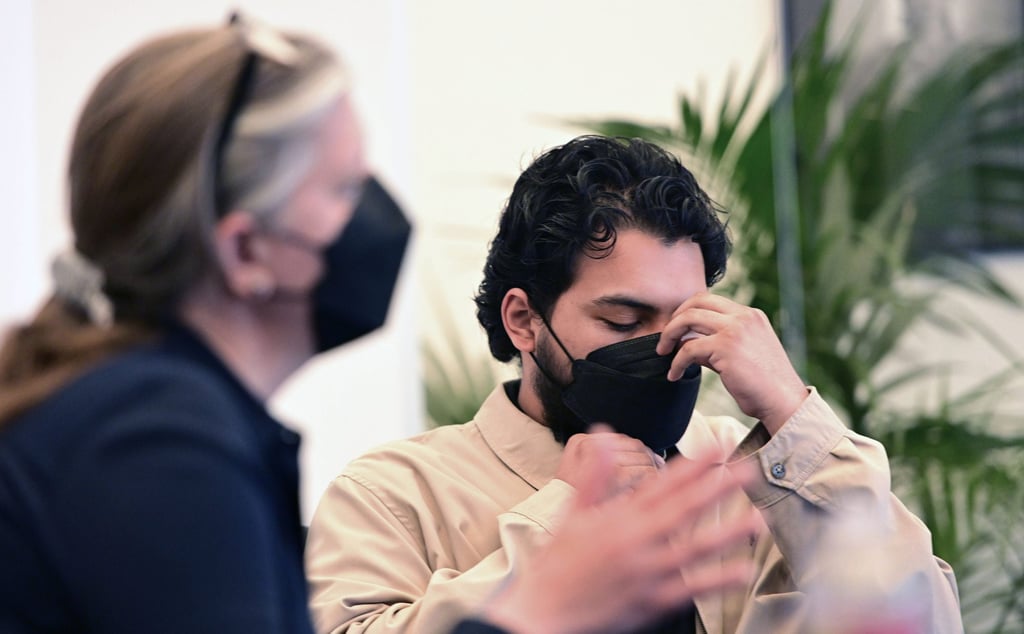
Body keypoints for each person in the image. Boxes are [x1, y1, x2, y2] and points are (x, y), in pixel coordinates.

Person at [0, 17, 759, 634]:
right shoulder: (152, 441)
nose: (378, 215)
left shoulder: (161, 416)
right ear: (245, 250)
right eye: (342, 187)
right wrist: (537, 598)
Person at [304, 135, 965, 633]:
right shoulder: (395, 496)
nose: (662, 347)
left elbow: (921, 621)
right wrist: (562, 523)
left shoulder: (752, 479)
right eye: (623, 321)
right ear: (524, 320)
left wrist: (794, 416)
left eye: (686, 321)